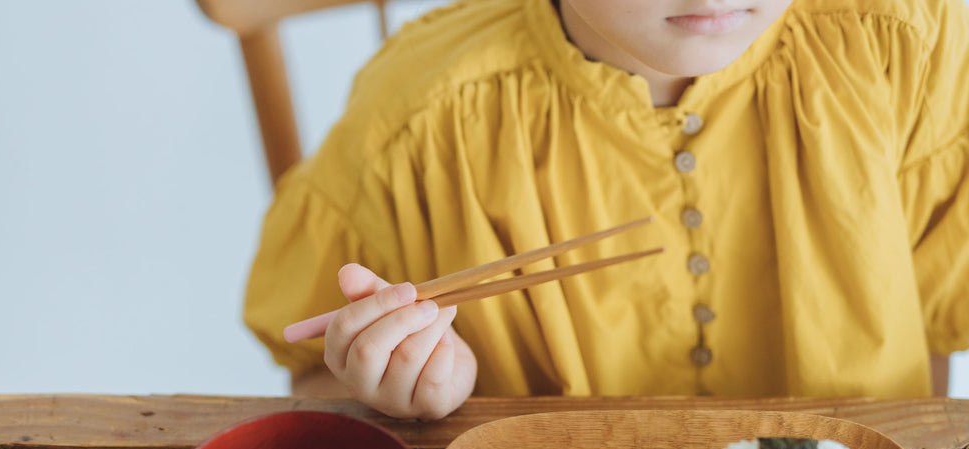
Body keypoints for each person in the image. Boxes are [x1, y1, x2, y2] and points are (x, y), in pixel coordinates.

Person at [244, 0, 969, 419]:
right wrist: (395, 387)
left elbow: (937, 345)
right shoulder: (415, 121)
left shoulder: (904, 43)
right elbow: (315, 378)